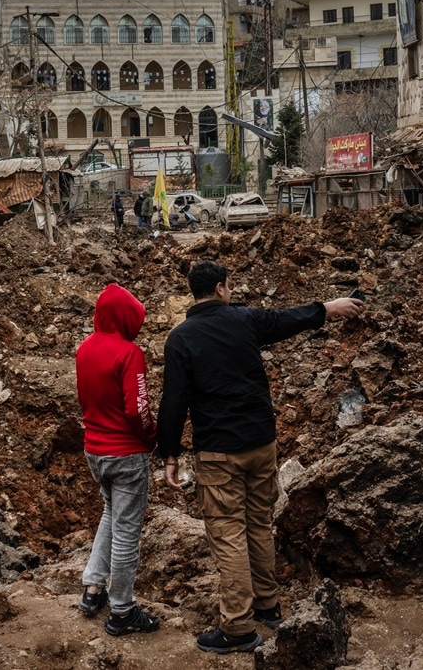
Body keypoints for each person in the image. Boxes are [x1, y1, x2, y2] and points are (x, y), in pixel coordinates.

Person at [156, 260, 363, 654]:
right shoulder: (245, 319)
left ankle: (237, 627)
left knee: (228, 532)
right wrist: (329, 308)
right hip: (261, 444)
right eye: (229, 286)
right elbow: (287, 320)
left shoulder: (180, 338)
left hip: (219, 452)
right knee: (257, 524)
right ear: (220, 288)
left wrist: (169, 453)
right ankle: (268, 606)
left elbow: (174, 400)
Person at [75, 283, 162, 637]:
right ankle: (122, 610)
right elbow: (137, 409)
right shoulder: (129, 353)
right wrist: (152, 437)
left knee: (110, 513)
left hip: (94, 450)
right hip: (126, 453)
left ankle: (93, 588)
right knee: (127, 531)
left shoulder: (85, 348)